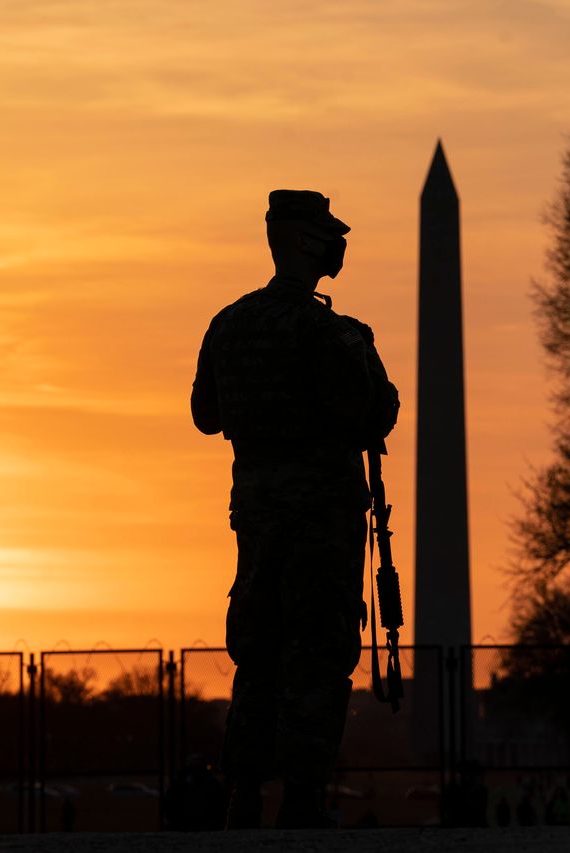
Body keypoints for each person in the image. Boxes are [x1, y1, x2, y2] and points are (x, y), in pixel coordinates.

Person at [191, 189, 398, 829]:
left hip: (255, 515)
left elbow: (206, 415)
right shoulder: (328, 332)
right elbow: (373, 413)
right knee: (318, 651)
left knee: (257, 654)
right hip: (321, 521)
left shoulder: (229, 324)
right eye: (329, 235)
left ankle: (244, 790)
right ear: (305, 242)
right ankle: (303, 795)